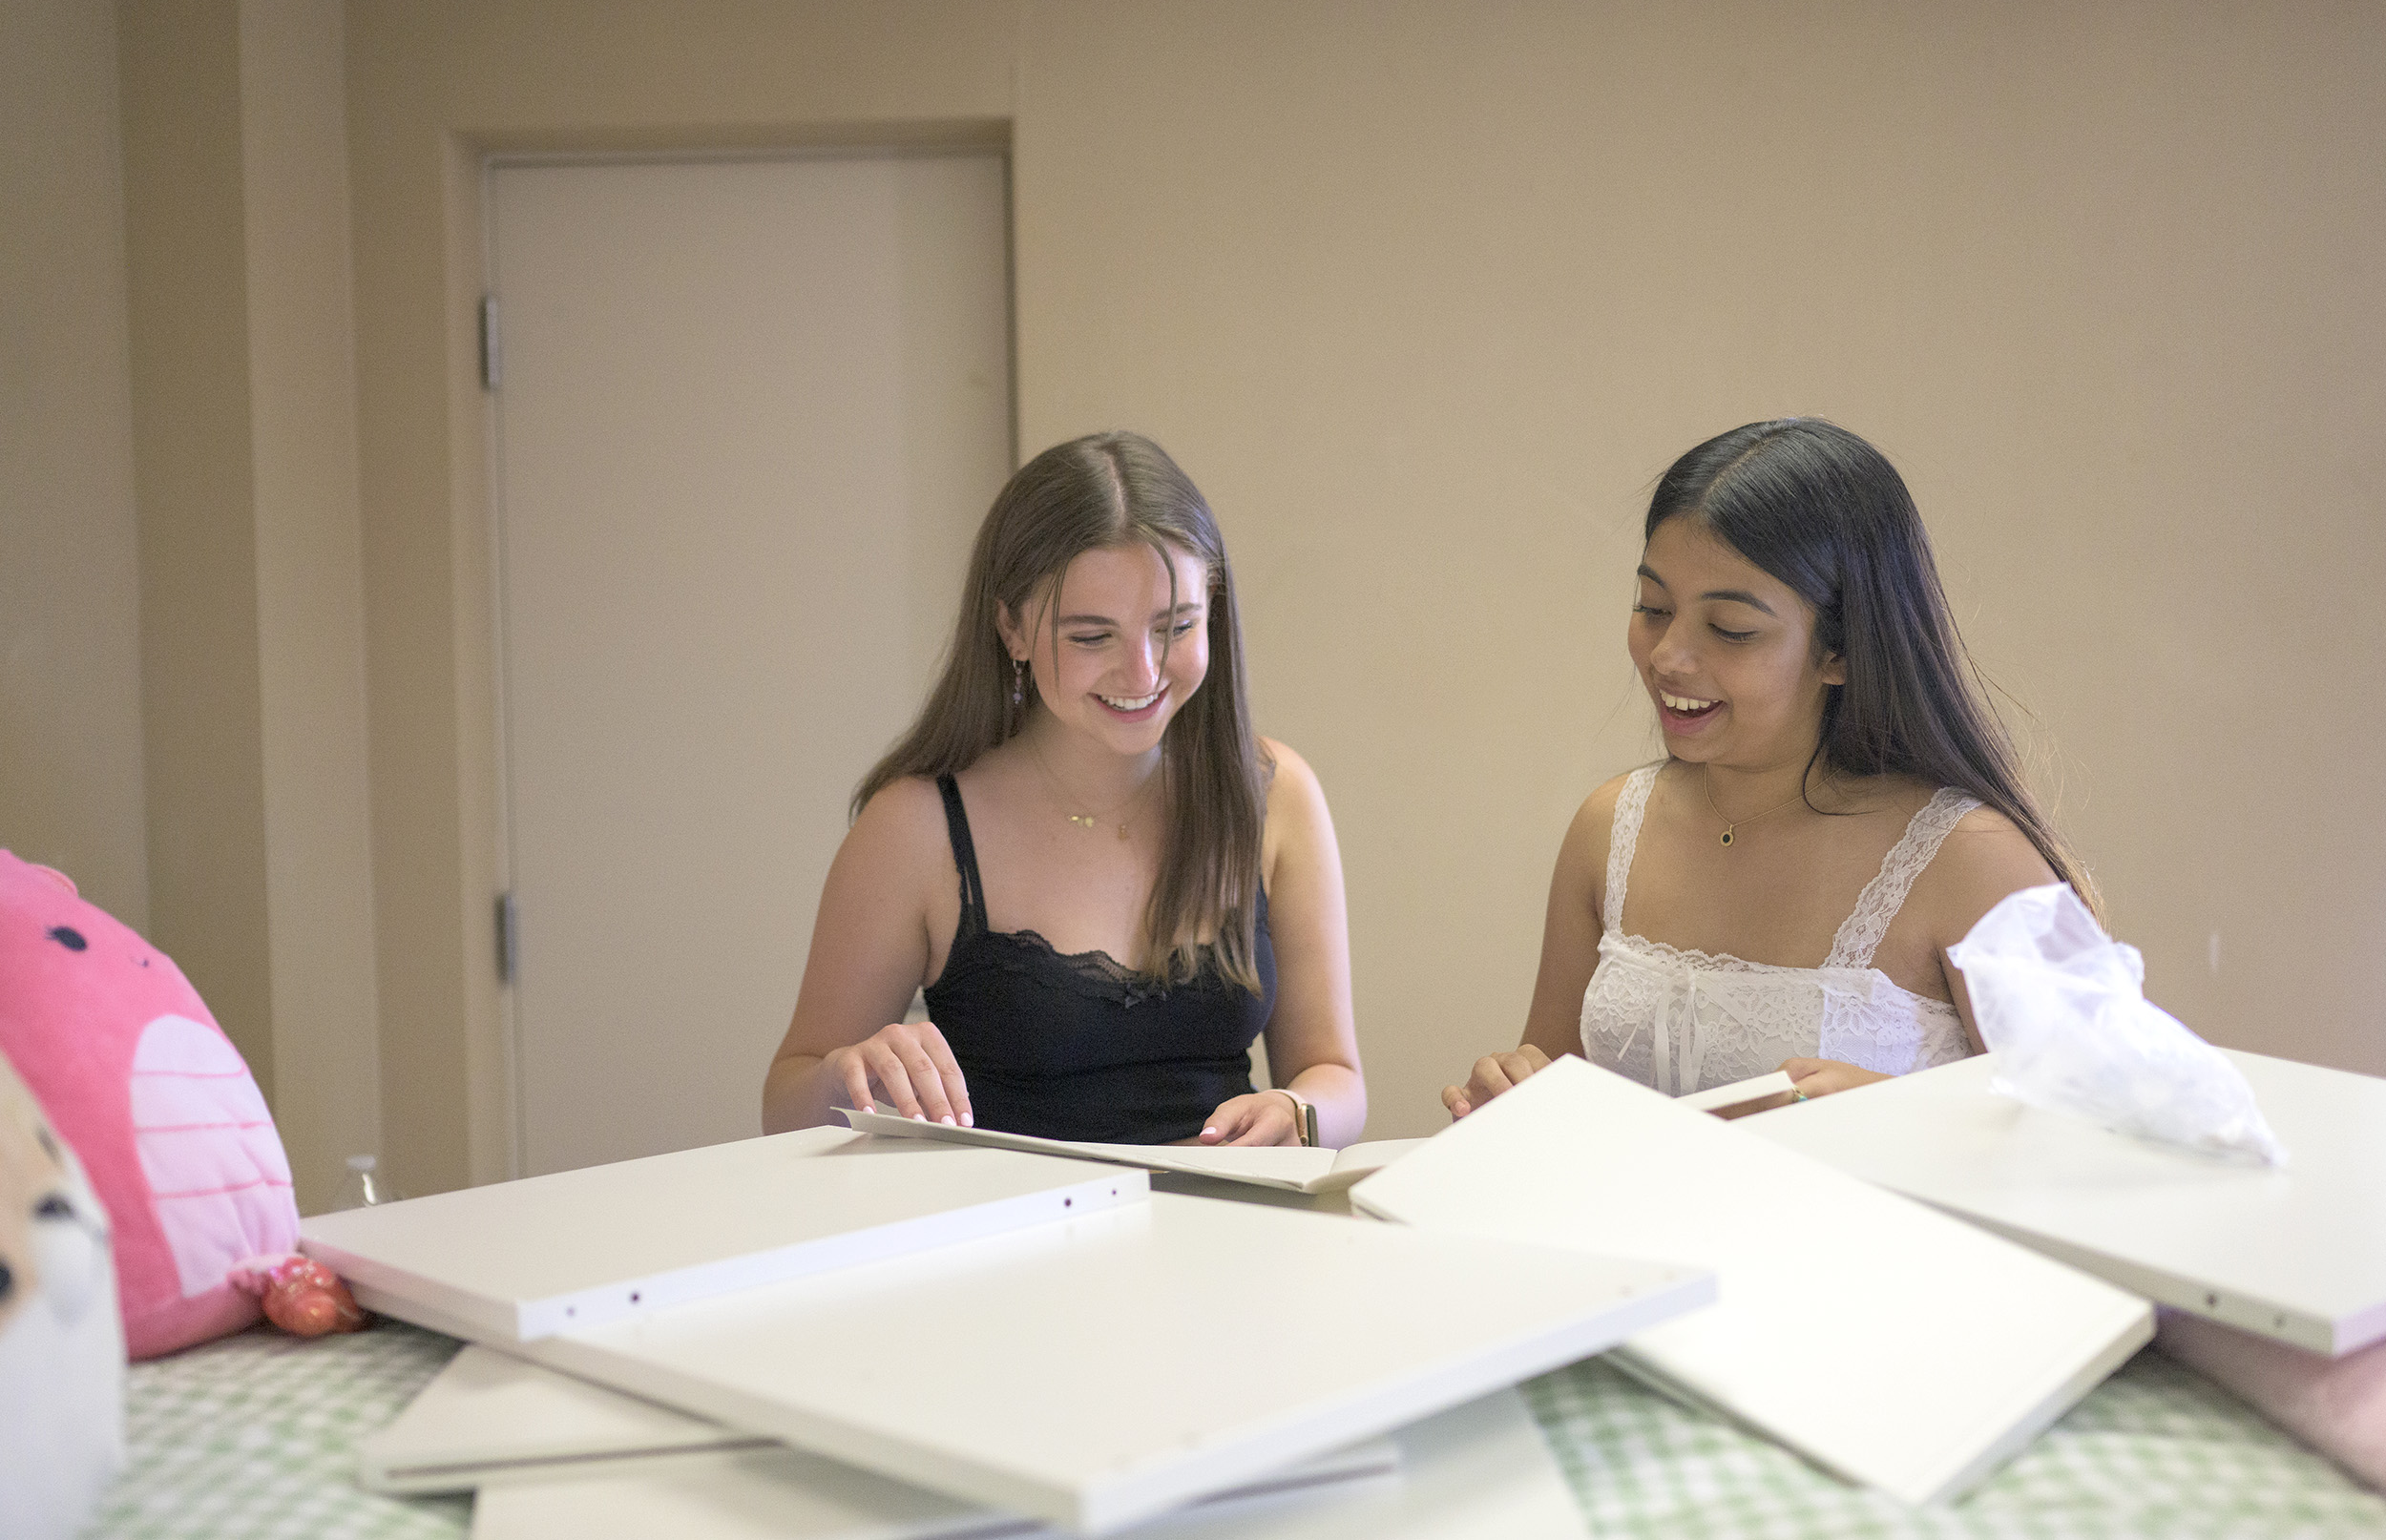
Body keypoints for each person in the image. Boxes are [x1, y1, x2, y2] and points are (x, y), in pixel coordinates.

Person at [1443, 418, 2097, 1118]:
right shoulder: (1609, 829)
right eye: (1653, 607)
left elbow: (2116, 1127)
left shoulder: (1972, 858)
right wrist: (1510, 1093)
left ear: (1841, 650)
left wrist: (1909, 1114)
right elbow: (1547, 1107)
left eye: (1731, 629)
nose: (1668, 655)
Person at [764, 433, 1363, 1147]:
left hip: (1230, 1237)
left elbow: (1335, 1073)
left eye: (1175, 627)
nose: (1142, 674)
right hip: (1011, 1241)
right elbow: (785, 1105)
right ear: (1011, 628)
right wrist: (843, 1077)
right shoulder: (916, 829)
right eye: (1091, 637)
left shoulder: (1275, 794)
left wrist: (1302, 1113)